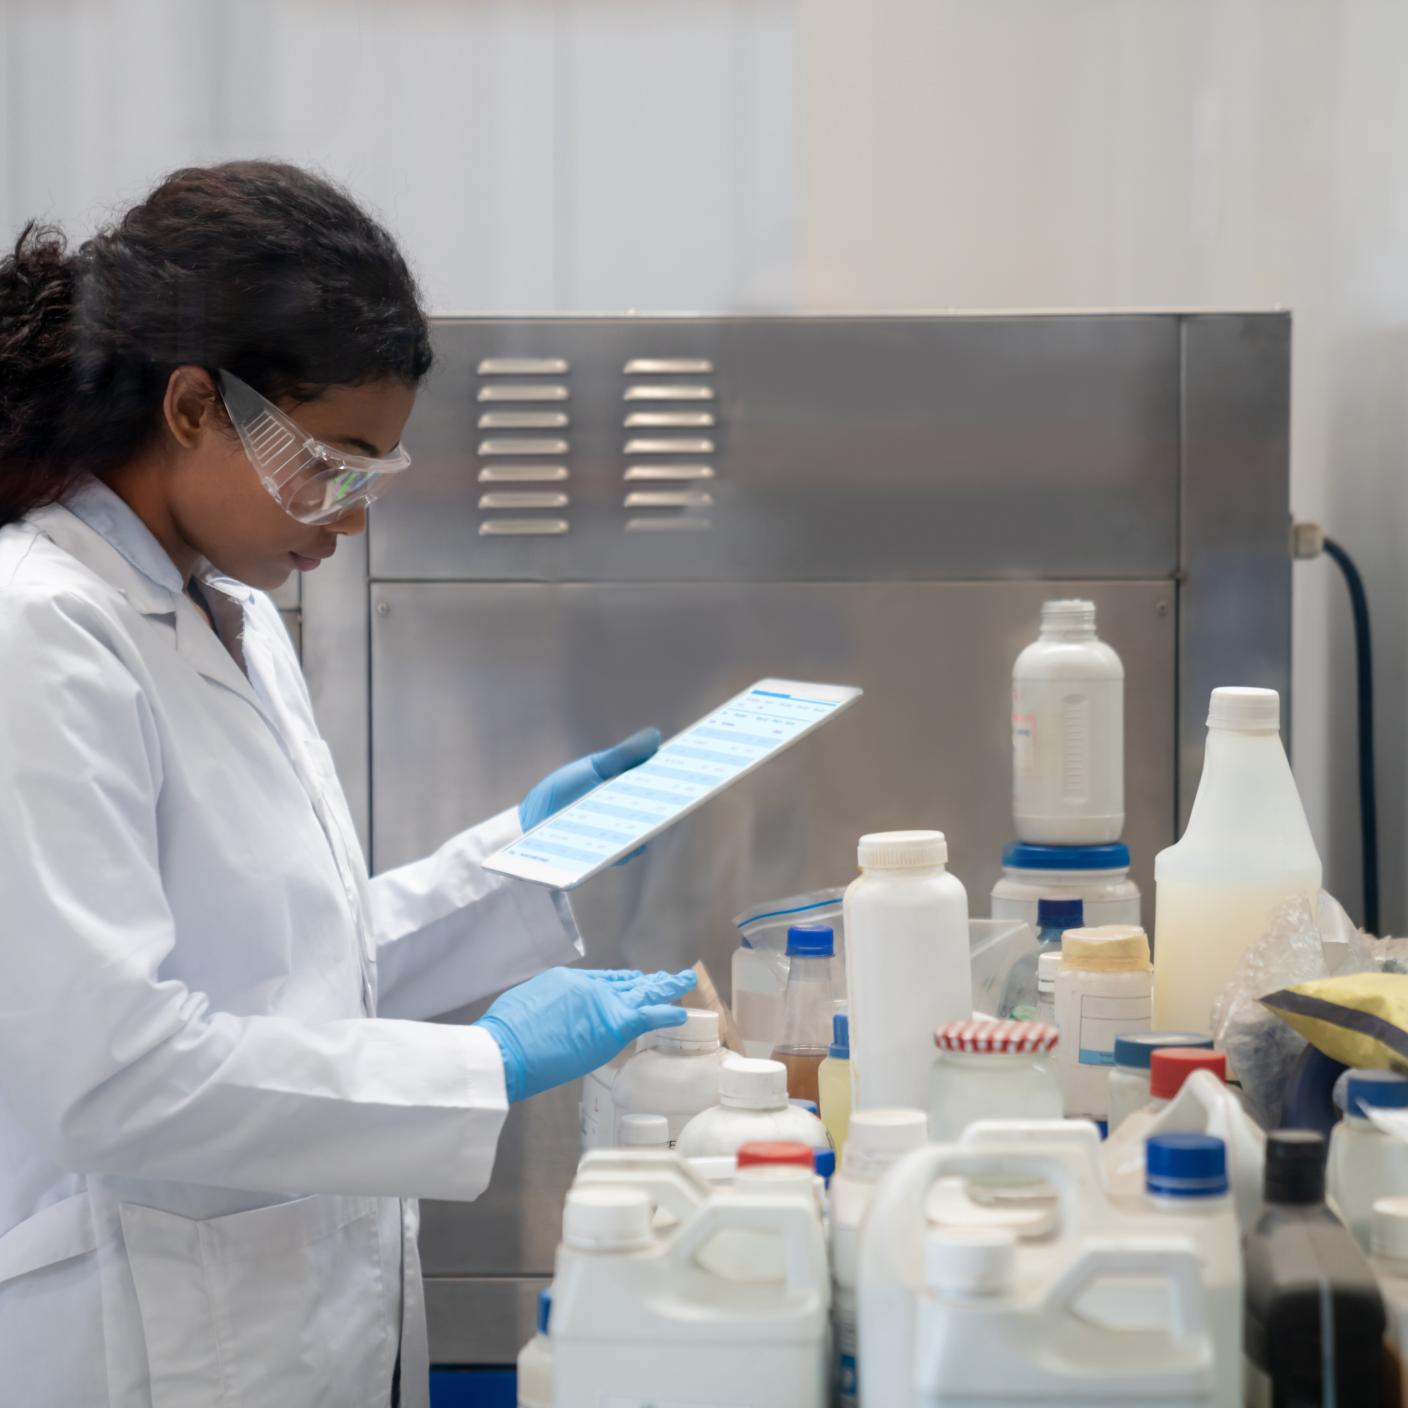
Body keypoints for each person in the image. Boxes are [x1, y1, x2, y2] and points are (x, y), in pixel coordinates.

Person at [0, 161, 695, 1408]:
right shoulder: (40, 630)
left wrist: (512, 866)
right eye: (335, 460)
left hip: (302, 1320)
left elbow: (289, 971)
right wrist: (482, 1064)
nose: (351, 515)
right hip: (138, 1338)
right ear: (195, 406)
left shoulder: (231, 613)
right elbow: (110, 1070)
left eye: (373, 472)